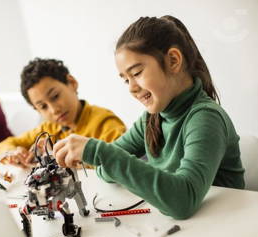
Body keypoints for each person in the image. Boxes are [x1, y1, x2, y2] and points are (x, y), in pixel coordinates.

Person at [53, 16, 245, 219]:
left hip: (225, 225)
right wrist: (102, 156)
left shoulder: (206, 118)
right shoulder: (151, 119)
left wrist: (101, 152)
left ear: (173, 60)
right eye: (126, 80)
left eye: (136, 73)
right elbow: (103, 170)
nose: (132, 88)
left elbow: (183, 202)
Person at [0, 58, 126, 167]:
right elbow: (3, 145)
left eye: (55, 96)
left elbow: (121, 166)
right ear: (36, 110)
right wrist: (13, 153)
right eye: (43, 106)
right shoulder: (49, 128)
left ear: (72, 83)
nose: (54, 110)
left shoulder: (105, 124)